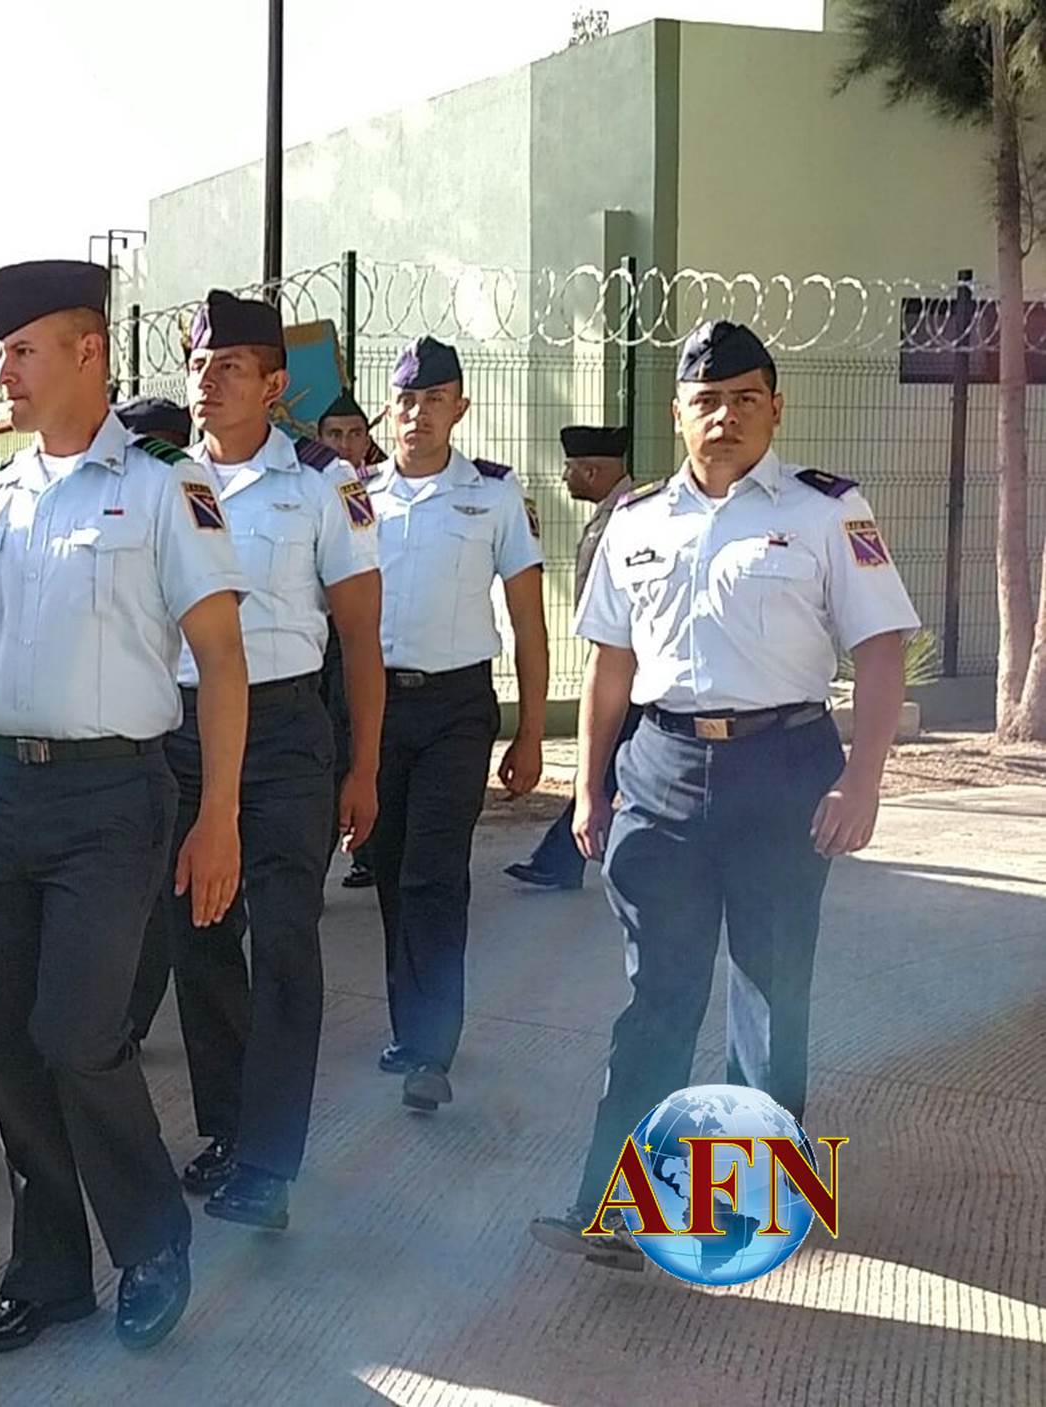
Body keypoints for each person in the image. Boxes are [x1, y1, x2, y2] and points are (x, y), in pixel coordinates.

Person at [0, 259, 251, 1357]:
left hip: (112, 795)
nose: (5, 373)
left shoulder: (166, 486)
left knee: (79, 1032)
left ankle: (151, 1242)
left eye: (22, 350)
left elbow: (220, 661)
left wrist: (216, 812)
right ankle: (48, 1272)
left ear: (89, 352)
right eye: (2, 353)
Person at [532, 321, 915, 1265]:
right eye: (707, 400)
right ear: (678, 414)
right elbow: (611, 666)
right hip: (659, 775)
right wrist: (591, 787)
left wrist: (863, 780)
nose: (726, 416)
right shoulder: (636, 522)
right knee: (656, 999)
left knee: (768, 996)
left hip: (783, 770)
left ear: (776, 409)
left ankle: (747, 1212)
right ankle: (618, 1207)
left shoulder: (828, 511)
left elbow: (880, 649)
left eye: (747, 398)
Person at [127, 292, 383, 1231]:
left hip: (282, 734)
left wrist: (363, 766)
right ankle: (230, 1129)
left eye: (230, 365)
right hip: (181, 734)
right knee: (197, 937)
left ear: (276, 386)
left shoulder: (321, 484)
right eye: (198, 363)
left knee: (282, 937)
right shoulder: (163, 480)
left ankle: (272, 1160)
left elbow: (360, 635)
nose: (208, 379)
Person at [363, 336, 547, 1113]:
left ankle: (431, 1049)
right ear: (390, 407)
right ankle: (411, 1028)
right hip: (375, 706)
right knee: (389, 872)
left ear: (459, 408)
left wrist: (531, 730)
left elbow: (529, 622)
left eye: (434, 400)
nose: (418, 415)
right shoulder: (356, 497)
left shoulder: (495, 497)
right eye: (406, 400)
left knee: (434, 872)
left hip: (457, 708)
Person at [507, 424, 637, 892]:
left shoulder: (628, 517)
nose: (564, 478)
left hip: (633, 672)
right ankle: (560, 859)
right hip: (621, 667)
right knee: (610, 770)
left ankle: (561, 858)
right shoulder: (613, 513)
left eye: (569, 469)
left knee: (606, 770)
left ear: (592, 470)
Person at [316, 389, 385, 890]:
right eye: (335, 434)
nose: (345, 443)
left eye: (355, 434)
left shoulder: (377, 492)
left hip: (359, 639)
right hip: (317, 641)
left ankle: (363, 848)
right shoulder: (313, 487)